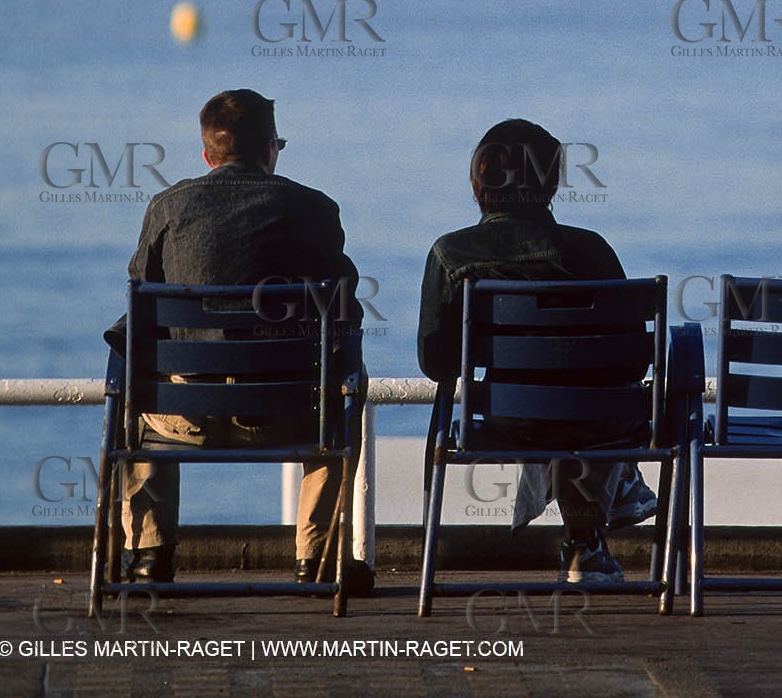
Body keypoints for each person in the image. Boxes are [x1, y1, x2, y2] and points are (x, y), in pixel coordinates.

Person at [105, 88, 362, 584]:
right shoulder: (314, 209)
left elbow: (142, 306)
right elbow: (345, 311)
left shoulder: (167, 208)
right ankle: (317, 556)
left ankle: (149, 553)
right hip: (285, 415)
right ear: (270, 149)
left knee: (137, 359)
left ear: (207, 155)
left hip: (183, 418)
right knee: (350, 373)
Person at [418, 117, 656, 586]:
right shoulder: (591, 250)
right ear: (550, 183)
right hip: (598, 419)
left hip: (510, 422)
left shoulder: (452, 254)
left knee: (554, 407)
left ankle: (599, 525)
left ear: (478, 179)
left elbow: (435, 364)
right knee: (582, 408)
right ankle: (602, 519)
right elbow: (634, 359)